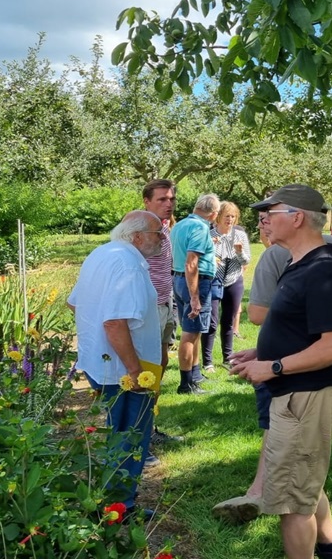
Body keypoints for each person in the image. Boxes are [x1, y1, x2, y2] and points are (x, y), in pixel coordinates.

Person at [229, 184, 332, 559]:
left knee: (291, 502)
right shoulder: (298, 263)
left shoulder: (322, 270)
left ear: (297, 217)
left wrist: (274, 365)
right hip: (296, 393)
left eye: (271, 212)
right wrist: (263, 349)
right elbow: (305, 329)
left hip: (309, 394)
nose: (264, 219)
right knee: (302, 479)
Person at [68, 210, 164, 515]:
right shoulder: (129, 264)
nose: (162, 239)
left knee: (118, 433)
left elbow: (74, 302)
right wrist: (135, 370)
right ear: (136, 236)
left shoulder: (102, 252)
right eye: (157, 233)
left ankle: (111, 501)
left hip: (102, 361)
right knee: (129, 435)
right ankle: (120, 506)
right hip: (124, 368)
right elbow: (114, 323)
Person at [141, 179, 182, 451]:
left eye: (171, 199)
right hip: (149, 306)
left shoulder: (166, 226)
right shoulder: (140, 228)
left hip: (167, 303)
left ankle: (150, 428)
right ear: (146, 201)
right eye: (162, 200)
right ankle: (140, 436)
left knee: (162, 363)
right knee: (146, 370)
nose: (168, 204)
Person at [170, 193, 220, 394]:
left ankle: (196, 374)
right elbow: (192, 263)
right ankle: (186, 384)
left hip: (179, 279)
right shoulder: (200, 227)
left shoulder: (181, 224)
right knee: (190, 334)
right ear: (214, 213)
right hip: (195, 283)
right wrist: (195, 296)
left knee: (195, 330)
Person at [201, 201, 251, 372]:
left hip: (234, 280)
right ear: (218, 217)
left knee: (228, 321)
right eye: (227, 216)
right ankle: (207, 362)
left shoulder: (240, 235)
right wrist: (212, 252)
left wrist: (239, 252)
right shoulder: (209, 234)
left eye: (233, 216)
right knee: (211, 321)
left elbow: (246, 261)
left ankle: (228, 358)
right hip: (213, 280)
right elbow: (200, 259)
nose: (230, 219)